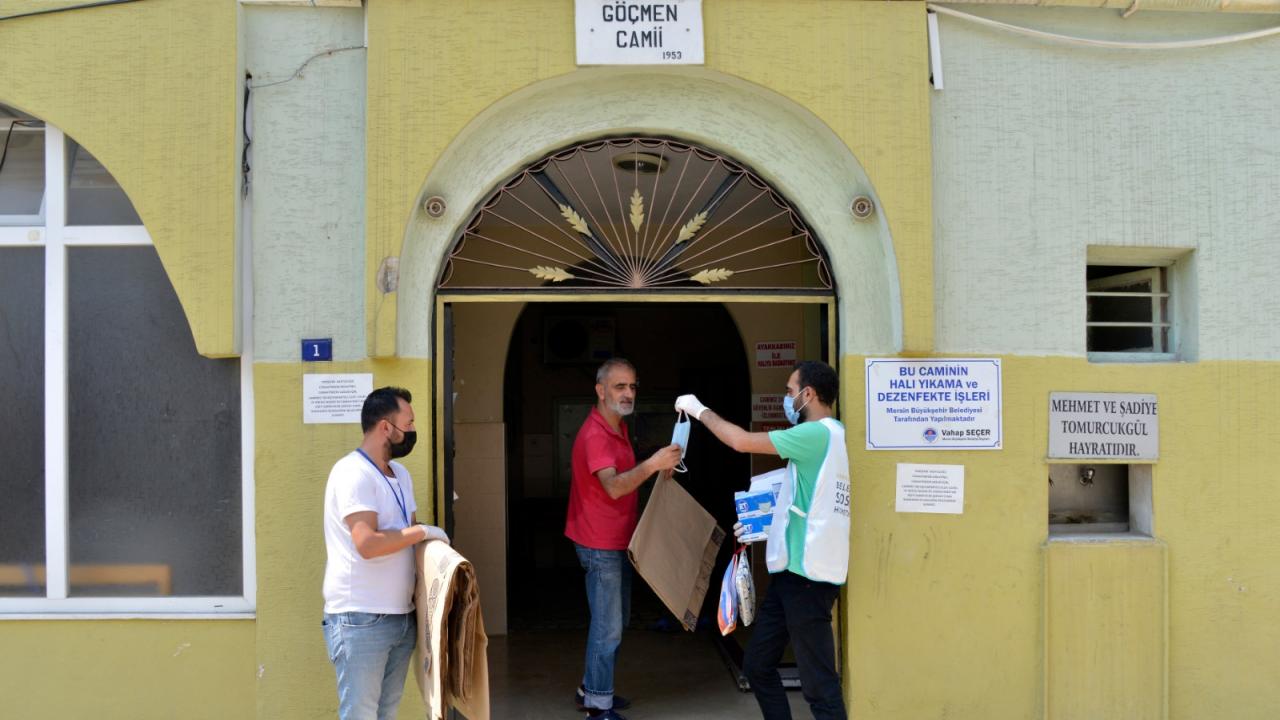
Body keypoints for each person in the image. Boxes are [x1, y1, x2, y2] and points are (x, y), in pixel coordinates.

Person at [676, 360, 850, 720]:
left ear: (808, 394)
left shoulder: (816, 434)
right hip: (792, 578)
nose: (787, 399)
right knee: (757, 666)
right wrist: (762, 524)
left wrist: (699, 410)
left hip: (808, 581)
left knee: (819, 687)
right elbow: (806, 501)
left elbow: (739, 442)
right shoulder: (826, 440)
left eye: (790, 391)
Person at [321, 386, 450, 720]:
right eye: (408, 423)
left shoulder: (400, 475)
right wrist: (422, 531)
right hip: (361, 619)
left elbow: (405, 533)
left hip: (400, 617)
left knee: (386, 712)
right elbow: (368, 544)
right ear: (384, 427)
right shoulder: (353, 472)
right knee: (361, 714)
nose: (412, 431)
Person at [566, 358, 683, 720]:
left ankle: (591, 688)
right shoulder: (596, 434)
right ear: (601, 391)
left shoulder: (616, 428)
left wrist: (656, 467)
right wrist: (652, 464)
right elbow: (615, 487)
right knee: (608, 627)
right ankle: (597, 707)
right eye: (620, 386)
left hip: (618, 541)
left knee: (616, 621)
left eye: (632, 386)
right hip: (599, 543)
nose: (628, 393)